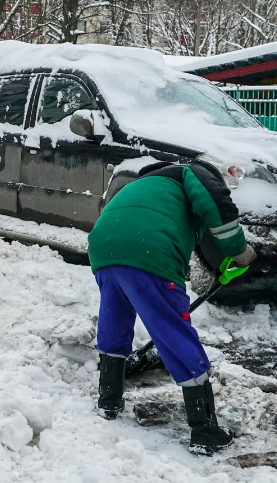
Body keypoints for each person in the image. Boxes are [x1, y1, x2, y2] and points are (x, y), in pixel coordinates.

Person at [88, 160, 256, 454]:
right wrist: (238, 249)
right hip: (149, 249)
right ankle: (204, 430)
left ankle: (108, 401)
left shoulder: (145, 184)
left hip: (104, 246)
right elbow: (217, 203)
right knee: (174, 331)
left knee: (114, 318)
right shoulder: (194, 173)